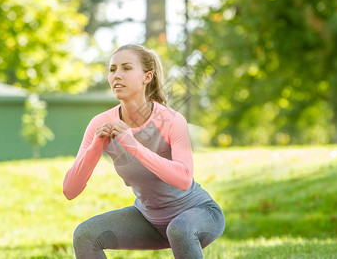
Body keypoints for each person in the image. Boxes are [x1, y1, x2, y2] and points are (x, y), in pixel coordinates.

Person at [63, 44, 225, 259]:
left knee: (179, 229)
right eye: (112, 70)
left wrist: (133, 146)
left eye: (126, 68)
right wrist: (96, 147)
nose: (116, 75)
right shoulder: (100, 123)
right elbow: (70, 190)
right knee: (85, 235)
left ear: (147, 77)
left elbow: (184, 179)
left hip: (198, 214)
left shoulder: (171, 120)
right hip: (148, 220)